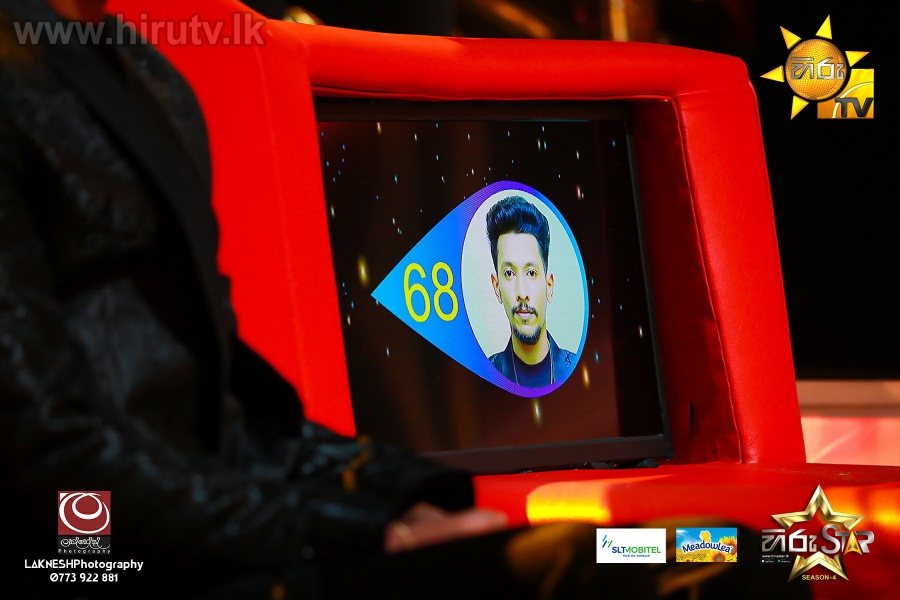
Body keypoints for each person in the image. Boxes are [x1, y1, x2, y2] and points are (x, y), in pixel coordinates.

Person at [0, 0, 506, 597]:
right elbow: (44, 474)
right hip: (92, 555)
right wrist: (360, 533)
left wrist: (401, 501)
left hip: (208, 531)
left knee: (598, 554)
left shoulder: (148, 76)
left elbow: (230, 424)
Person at [486, 196, 575, 388]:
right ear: (496, 287)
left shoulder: (576, 368)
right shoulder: (484, 377)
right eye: (509, 273)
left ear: (549, 286)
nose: (522, 292)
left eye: (531, 273)